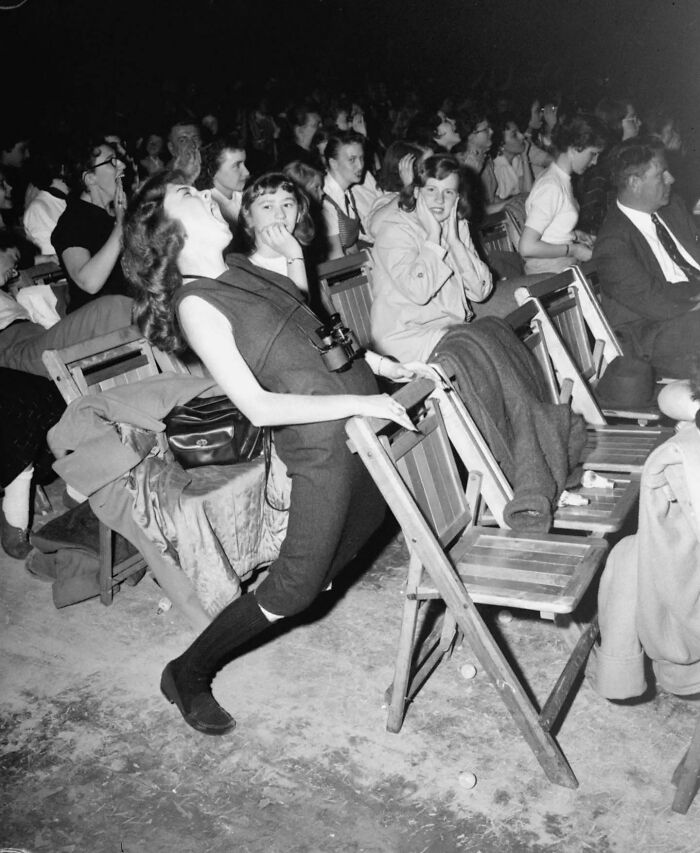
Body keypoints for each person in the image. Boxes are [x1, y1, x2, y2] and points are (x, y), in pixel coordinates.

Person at [121, 170, 424, 734]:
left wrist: (378, 367)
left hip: (357, 428)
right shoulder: (196, 304)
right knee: (295, 587)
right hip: (323, 447)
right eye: (188, 195)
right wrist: (364, 408)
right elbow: (258, 406)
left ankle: (311, 571)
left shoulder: (240, 267)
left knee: (364, 529)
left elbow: (306, 328)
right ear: (167, 234)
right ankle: (187, 672)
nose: (208, 194)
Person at [593, 140, 700, 379]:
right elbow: (656, 302)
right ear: (634, 183)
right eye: (661, 174)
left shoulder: (672, 209)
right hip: (655, 335)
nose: (671, 179)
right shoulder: (612, 244)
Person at [370, 154, 492, 362]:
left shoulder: (455, 226)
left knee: (495, 337)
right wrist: (434, 238)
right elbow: (419, 292)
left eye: (449, 192)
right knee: (479, 347)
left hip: (447, 329)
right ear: (417, 192)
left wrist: (455, 242)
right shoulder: (395, 229)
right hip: (406, 336)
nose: (439, 200)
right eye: (431, 190)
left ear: (457, 198)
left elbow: (480, 292)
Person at [518, 114, 606, 274]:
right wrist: (574, 250)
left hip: (562, 267)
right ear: (573, 150)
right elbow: (527, 247)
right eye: (592, 154)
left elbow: (550, 230)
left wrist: (573, 235)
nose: (595, 161)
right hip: (549, 275)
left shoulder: (558, 178)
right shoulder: (551, 186)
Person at [51, 140, 130, 312]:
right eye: (112, 161)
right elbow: (89, 282)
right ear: (90, 178)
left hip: (130, 311)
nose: (122, 165)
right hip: (98, 322)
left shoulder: (113, 214)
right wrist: (121, 225)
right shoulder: (72, 222)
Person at [321, 130, 372, 259]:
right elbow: (336, 258)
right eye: (352, 160)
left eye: (361, 158)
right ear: (334, 163)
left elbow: (351, 245)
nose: (360, 165)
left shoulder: (346, 192)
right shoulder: (325, 200)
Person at [195, 135, 250, 231]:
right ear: (212, 171)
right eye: (236, 166)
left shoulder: (243, 198)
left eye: (244, 164)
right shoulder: (206, 209)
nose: (246, 172)